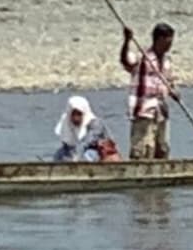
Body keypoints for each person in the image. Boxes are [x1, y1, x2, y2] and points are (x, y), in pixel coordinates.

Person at [120, 22, 177, 160]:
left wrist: (174, 92)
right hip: (144, 112)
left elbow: (169, 82)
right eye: (169, 41)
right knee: (142, 151)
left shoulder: (167, 61)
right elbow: (126, 61)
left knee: (162, 149)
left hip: (161, 112)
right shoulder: (143, 57)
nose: (170, 45)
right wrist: (127, 41)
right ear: (160, 39)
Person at [52, 95, 119, 162]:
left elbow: (86, 142)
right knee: (59, 154)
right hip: (76, 150)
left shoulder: (95, 123)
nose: (76, 118)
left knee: (88, 155)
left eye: (79, 114)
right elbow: (67, 144)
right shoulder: (67, 123)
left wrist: (76, 157)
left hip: (97, 151)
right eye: (73, 114)